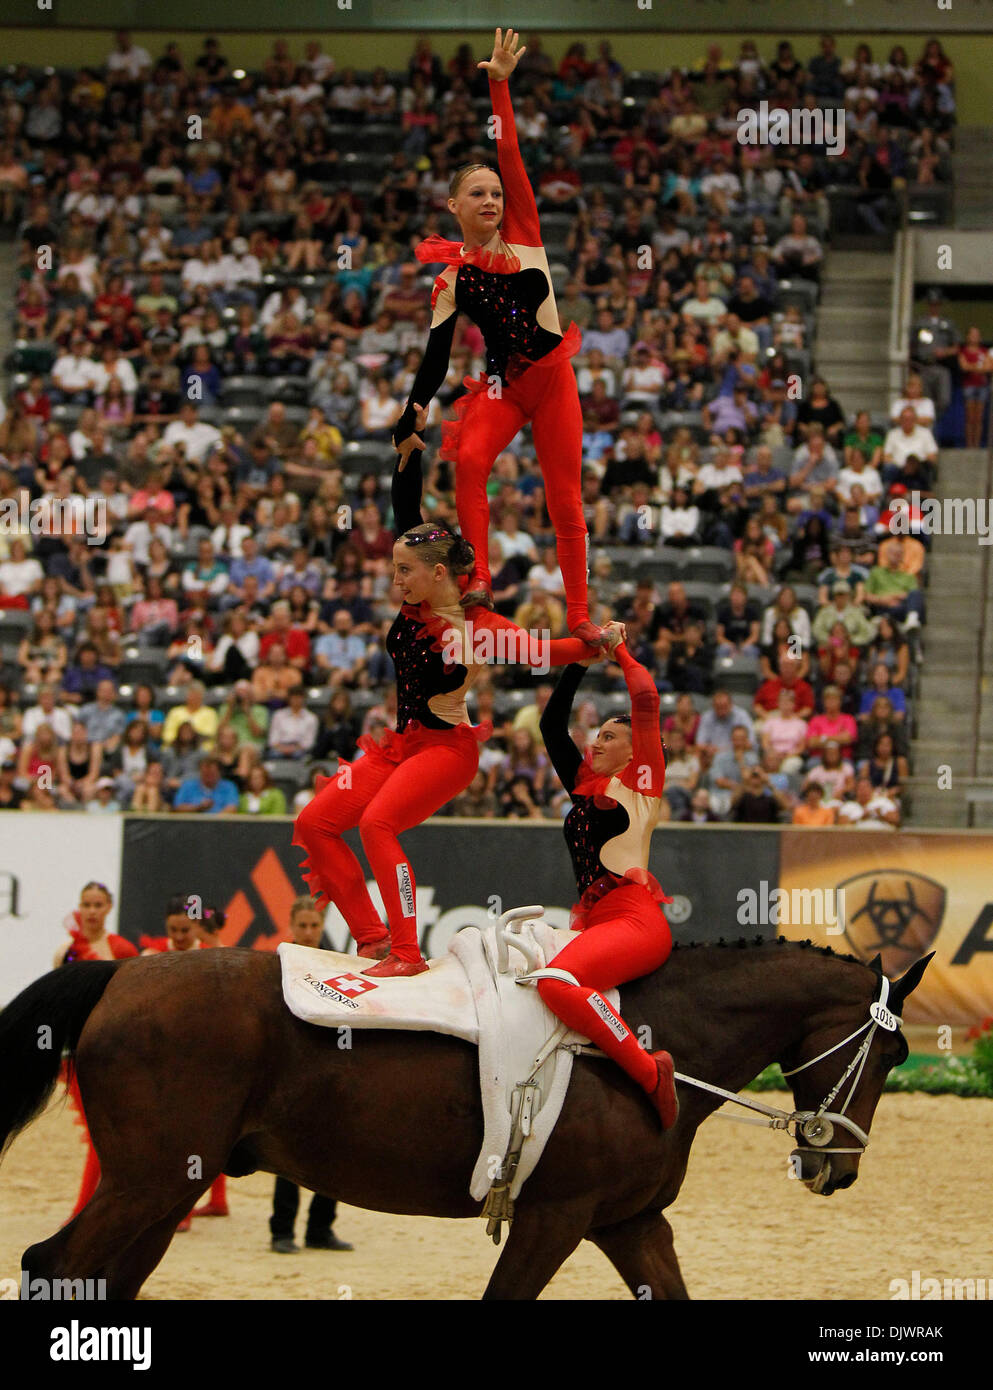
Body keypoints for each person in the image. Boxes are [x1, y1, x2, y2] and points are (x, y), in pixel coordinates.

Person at [292, 442, 598, 978]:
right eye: (394, 570)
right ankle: (373, 941)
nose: (396, 582)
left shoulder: (479, 631)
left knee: (377, 825)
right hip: (400, 745)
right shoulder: (415, 601)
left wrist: (600, 644)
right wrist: (407, 447)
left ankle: (408, 954)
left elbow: (545, 650)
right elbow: (405, 504)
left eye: (404, 571)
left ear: (438, 573)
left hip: (448, 751)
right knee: (315, 823)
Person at [392, 30, 603, 649]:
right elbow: (434, 360)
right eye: (476, 193)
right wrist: (413, 409)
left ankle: (578, 612)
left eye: (495, 193)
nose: (490, 198)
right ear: (453, 204)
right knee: (469, 461)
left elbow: (509, 153)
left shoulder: (525, 234)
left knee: (566, 499)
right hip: (504, 386)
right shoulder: (451, 278)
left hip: (553, 381)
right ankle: (478, 580)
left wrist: (500, 84)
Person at [537, 620, 678, 1129]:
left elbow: (645, 700)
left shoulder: (642, 780)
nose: (596, 743)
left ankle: (650, 1075)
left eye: (609, 736)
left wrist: (619, 650)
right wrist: (577, 661)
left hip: (635, 918)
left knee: (556, 984)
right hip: (596, 919)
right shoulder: (583, 783)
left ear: (632, 749)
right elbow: (552, 726)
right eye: (597, 735)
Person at [270, 896, 353, 1253]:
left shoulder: (337, 965)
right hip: (288, 1070)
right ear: (291, 925)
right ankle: (281, 1232)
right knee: (288, 1155)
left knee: (333, 1153)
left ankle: (320, 1230)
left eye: (313, 925)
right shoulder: (278, 965)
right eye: (301, 925)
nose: (307, 932)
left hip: (328, 1070)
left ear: (322, 926)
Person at [55, 883, 138, 1221]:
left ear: (108, 908)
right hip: (78, 1051)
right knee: (98, 1134)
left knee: (108, 1135)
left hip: (115, 1053)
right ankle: (89, 1209)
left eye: (98, 904)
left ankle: (90, 1210)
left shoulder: (121, 949)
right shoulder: (66, 951)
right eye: (86, 904)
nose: (91, 910)